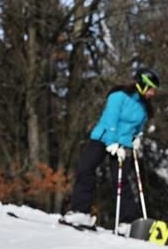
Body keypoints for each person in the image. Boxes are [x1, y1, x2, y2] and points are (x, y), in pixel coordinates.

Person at [60, 68, 160, 234]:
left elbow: (138, 127)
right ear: (141, 85)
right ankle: (81, 212)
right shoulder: (118, 96)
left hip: (124, 145)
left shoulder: (144, 108)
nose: (152, 93)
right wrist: (112, 143)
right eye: (150, 89)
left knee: (121, 181)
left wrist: (137, 138)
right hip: (103, 138)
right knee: (85, 169)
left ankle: (128, 222)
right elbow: (110, 120)